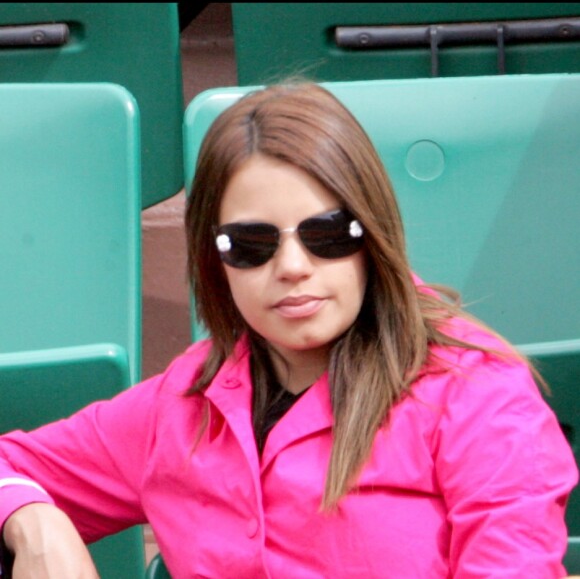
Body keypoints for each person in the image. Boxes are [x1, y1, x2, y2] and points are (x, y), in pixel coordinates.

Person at [0, 82, 577, 578]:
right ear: (213, 259)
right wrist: (31, 519)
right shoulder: (179, 406)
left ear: (372, 236)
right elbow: (13, 465)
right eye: (251, 244)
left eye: (328, 234)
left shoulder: (479, 394)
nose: (294, 266)